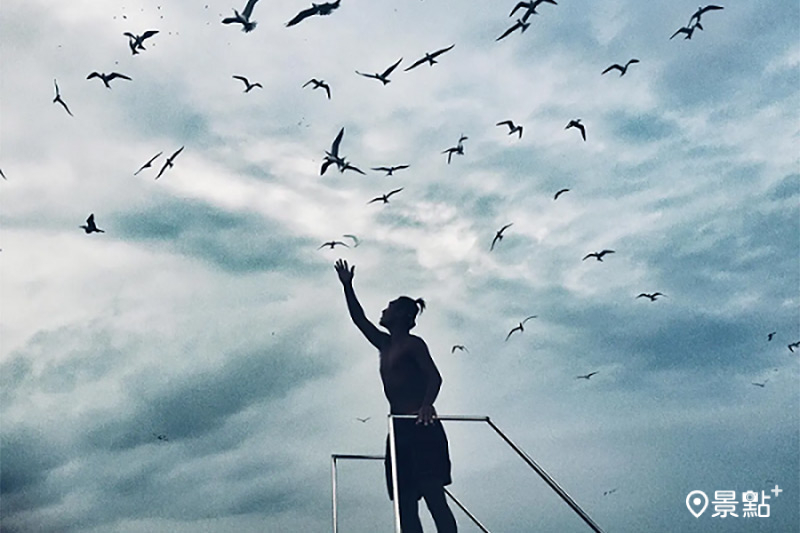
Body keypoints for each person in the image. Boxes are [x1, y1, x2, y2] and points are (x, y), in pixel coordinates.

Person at [334, 259, 457, 533]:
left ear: (400, 315)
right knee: (404, 503)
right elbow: (359, 319)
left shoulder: (413, 344)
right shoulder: (385, 344)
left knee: (433, 497)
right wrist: (347, 286)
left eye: (388, 307)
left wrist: (427, 405)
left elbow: (434, 377)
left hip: (421, 427)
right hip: (398, 431)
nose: (383, 310)